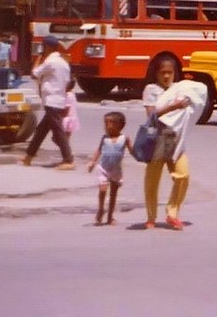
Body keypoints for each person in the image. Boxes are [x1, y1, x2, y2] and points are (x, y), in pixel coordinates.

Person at [143, 79, 207, 231]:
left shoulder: (180, 90)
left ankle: (172, 212)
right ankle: (151, 217)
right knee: (152, 180)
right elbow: (152, 115)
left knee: (183, 175)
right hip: (158, 139)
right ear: (156, 74)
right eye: (163, 73)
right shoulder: (152, 90)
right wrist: (173, 106)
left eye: (170, 72)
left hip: (176, 140)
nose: (166, 76)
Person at [20, 35, 75, 170]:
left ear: (47, 47)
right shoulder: (63, 62)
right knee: (41, 130)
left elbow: (34, 73)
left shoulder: (50, 61)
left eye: (43, 47)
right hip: (58, 99)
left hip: (52, 100)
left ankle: (68, 160)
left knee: (58, 131)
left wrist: (39, 58)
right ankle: (29, 155)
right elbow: (67, 83)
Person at [87, 111, 134, 226]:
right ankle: (101, 209)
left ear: (120, 125)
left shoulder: (124, 138)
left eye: (110, 123)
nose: (106, 126)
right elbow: (99, 150)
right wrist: (93, 162)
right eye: (105, 123)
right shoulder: (104, 138)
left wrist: (139, 155)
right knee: (102, 190)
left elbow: (132, 151)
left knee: (113, 194)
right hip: (104, 168)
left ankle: (110, 216)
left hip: (116, 170)